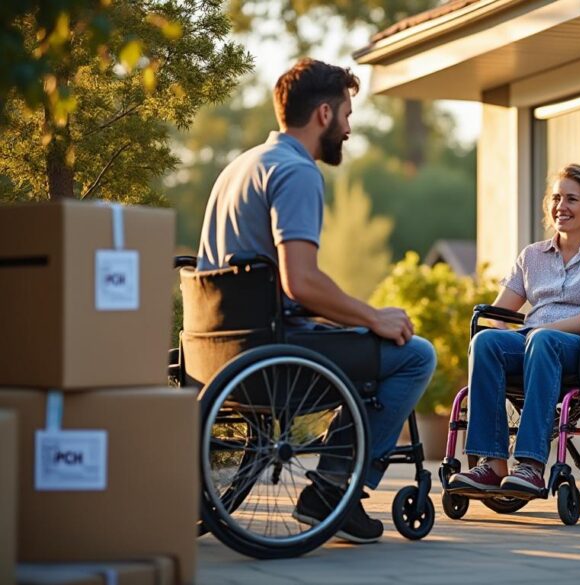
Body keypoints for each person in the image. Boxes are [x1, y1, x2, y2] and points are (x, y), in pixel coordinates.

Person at [196, 58, 435, 544]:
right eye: (347, 114)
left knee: (362, 335)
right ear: (324, 114)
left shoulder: (239, 167)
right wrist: (374, 317)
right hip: (273, 355)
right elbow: (299, 282)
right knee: (413, 354)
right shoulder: (296, 172)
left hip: (219, 355)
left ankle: (333, 487)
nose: (349, 128)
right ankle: (332, 491)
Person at [448, 163, 580, 499]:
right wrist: (499, 328)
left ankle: (531, 466)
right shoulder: (532, 255)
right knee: (486, 340)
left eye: (572, 199)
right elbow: (501, 310)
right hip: (534, 343)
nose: (562, 206)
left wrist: (545, 328)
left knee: (543, 339)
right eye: (557, 198)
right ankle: (492, 465)